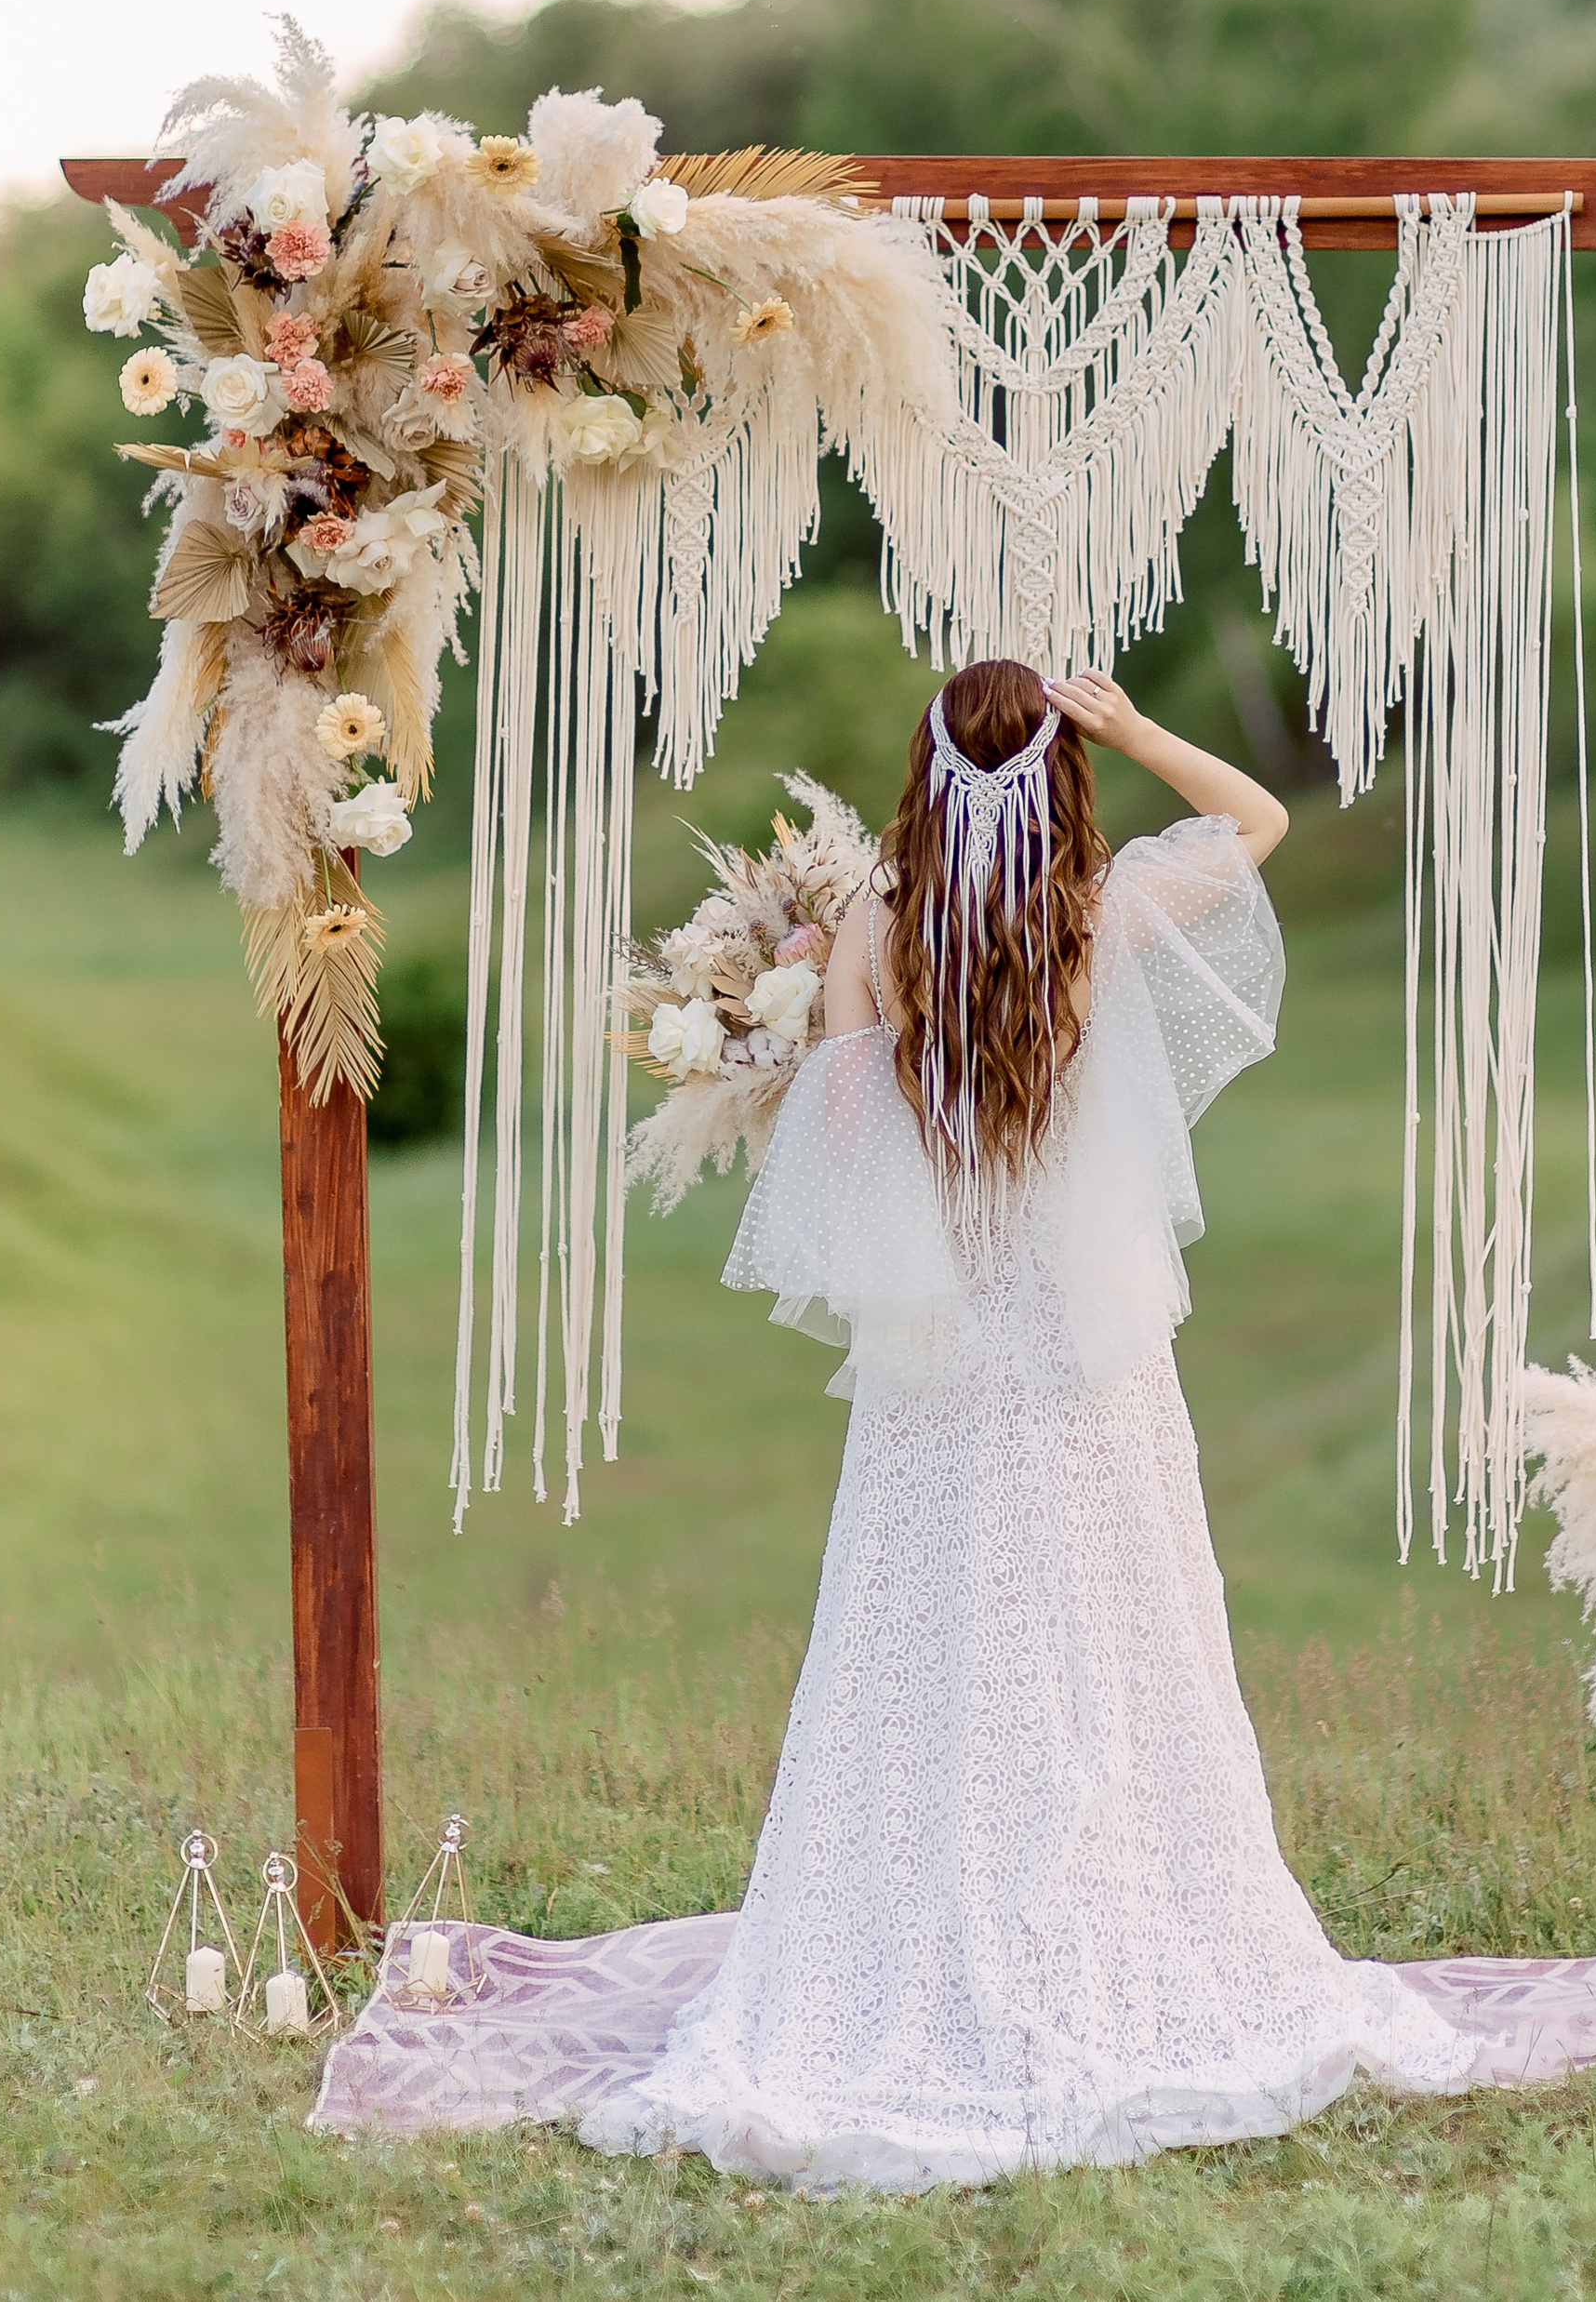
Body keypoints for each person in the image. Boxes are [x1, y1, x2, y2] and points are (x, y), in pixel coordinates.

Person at [578, 656, 1489, 2188]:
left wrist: (795, 1032)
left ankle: (921, 1923)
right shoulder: (1100, 916)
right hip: (1085, 1352)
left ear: (924, 775)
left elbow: (858, 1162)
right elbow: (1259, 815)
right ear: (1059, 776)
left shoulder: (875, 930)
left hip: (946, 1357)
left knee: (923, 1624)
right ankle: (1103, 1907)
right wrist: (1131, 727)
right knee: (1111, 1622)